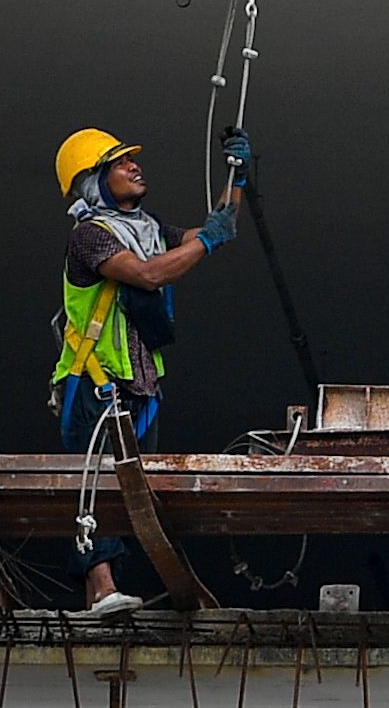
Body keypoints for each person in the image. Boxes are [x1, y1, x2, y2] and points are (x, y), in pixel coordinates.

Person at [50, 125, 250, 616]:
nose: (135, 166)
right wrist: (208, 241)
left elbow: (210, 231)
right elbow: (150, 273)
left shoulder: (147, 228)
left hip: (140, 387)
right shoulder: (90, 238)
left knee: (133, 490)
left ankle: (102, 594)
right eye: (120, 163)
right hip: (96, 382)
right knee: (95, 481)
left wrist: (237, 177)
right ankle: (101, 586)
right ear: (94, 180)